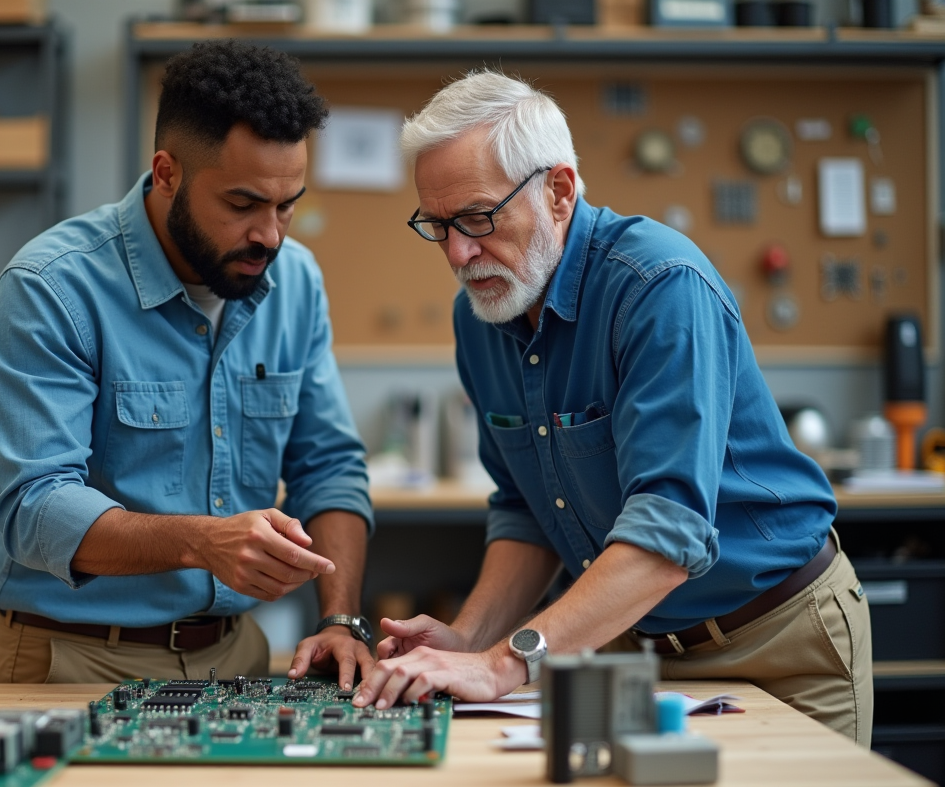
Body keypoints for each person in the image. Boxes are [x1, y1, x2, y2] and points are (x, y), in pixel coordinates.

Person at [353, 70, 873, 747]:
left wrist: (502, 662)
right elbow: (526, 510)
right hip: (635, 645)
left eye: (479, 218)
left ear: (560, 192)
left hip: (777, 639)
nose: (458, 252)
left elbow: (667, 536)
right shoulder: (481, 316)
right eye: (439, 225)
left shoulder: (659, 288)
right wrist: (468, 637)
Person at [0, 40, 375, 689]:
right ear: (167, 173)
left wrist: (340, 621)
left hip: (238, 659)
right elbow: (33, 510)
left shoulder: (296, 281)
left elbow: (329, 465)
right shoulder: (52, 288)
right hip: (76, 659)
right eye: (243, 205)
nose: (271, 235)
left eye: (287, 205)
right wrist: (202, 541)